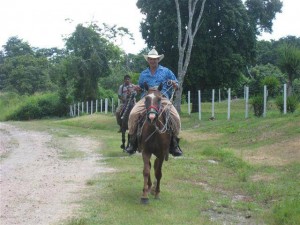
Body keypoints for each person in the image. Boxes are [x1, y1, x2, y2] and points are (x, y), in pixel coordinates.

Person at [125, 48, 183, 157]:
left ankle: (174, 143)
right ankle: (132, 141)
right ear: (148, 60)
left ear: (158, 60)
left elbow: (177, 83)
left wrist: (175, 84)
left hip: (162, 97)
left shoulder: (166, 71)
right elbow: (141, 87)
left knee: (175, 117)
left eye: (155, 59)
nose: (153, 61)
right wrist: (137, 88)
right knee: (133, 114)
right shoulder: (143, 74)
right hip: (146, 98)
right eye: (151, 59)